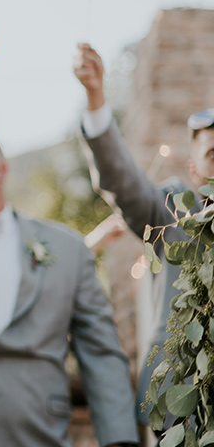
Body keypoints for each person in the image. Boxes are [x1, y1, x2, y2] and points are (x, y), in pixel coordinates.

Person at [0, 130, 138, 447]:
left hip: (37, 433)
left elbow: (100, 351)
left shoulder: (66, 248)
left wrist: (119, 439)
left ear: (2, 168)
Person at [74, 42, 214, 428]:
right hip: (182, 393)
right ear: (193, 168)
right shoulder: (170, 209)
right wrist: (96, 99)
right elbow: (123, 182)